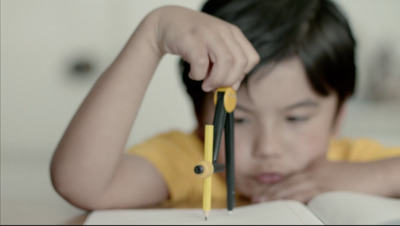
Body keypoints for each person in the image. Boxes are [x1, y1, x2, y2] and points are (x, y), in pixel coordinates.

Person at [50, 0, 400, 211]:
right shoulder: (187, 160)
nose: (268, 148)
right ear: (198, 113)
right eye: (238, 120)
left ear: (339, 115)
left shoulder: (354, 161)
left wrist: (381, 175)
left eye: (295, 117)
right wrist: (151, 35)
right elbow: (81, 184)